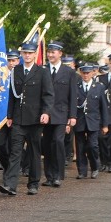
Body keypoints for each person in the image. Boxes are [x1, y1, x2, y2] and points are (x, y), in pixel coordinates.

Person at [1, 40, 53, 196]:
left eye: (30, 53)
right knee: (15, 151)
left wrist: (46, 112)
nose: (28, 55)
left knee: (34, 151)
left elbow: (48, 95)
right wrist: (9, 115)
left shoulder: (42, 72)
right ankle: (10, 185)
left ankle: (33, 183)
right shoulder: (15, 71)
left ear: (34, 54)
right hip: (18, 118)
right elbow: (12, 95)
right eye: (25, 53)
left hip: (35, 119)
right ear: (21, 54)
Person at [42, 41, 78, 187]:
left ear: (60, 54)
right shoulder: (42, 70)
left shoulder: (69, 72)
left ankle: (57, 175)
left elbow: (73, 95)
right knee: (47, 145)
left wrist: (73, 116)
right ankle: (49, 176)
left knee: (58, 142)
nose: (50, 54)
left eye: (53, 52)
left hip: (62, 114)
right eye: (49, 52)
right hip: (46, 114)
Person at [73, 62, 109, 179]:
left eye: (88, 73)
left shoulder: (99, 87)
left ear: (92, 73)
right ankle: (82, 171)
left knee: (92, 146)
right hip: (80, 120)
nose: (85, 75)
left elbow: (103, 107)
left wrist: (105, 124)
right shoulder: (76, 86)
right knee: (80, 147)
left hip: (93, 121)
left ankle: (94, 167)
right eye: (83, 73)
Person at [0, 49, 19, 172]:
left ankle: (12, 170)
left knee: (15, 146)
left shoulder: (22, 74)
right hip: (1, 115)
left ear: (19, 60)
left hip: (16, 115)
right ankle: (7, 165)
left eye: (14, 60)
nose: (12, 63)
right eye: (9, 60)